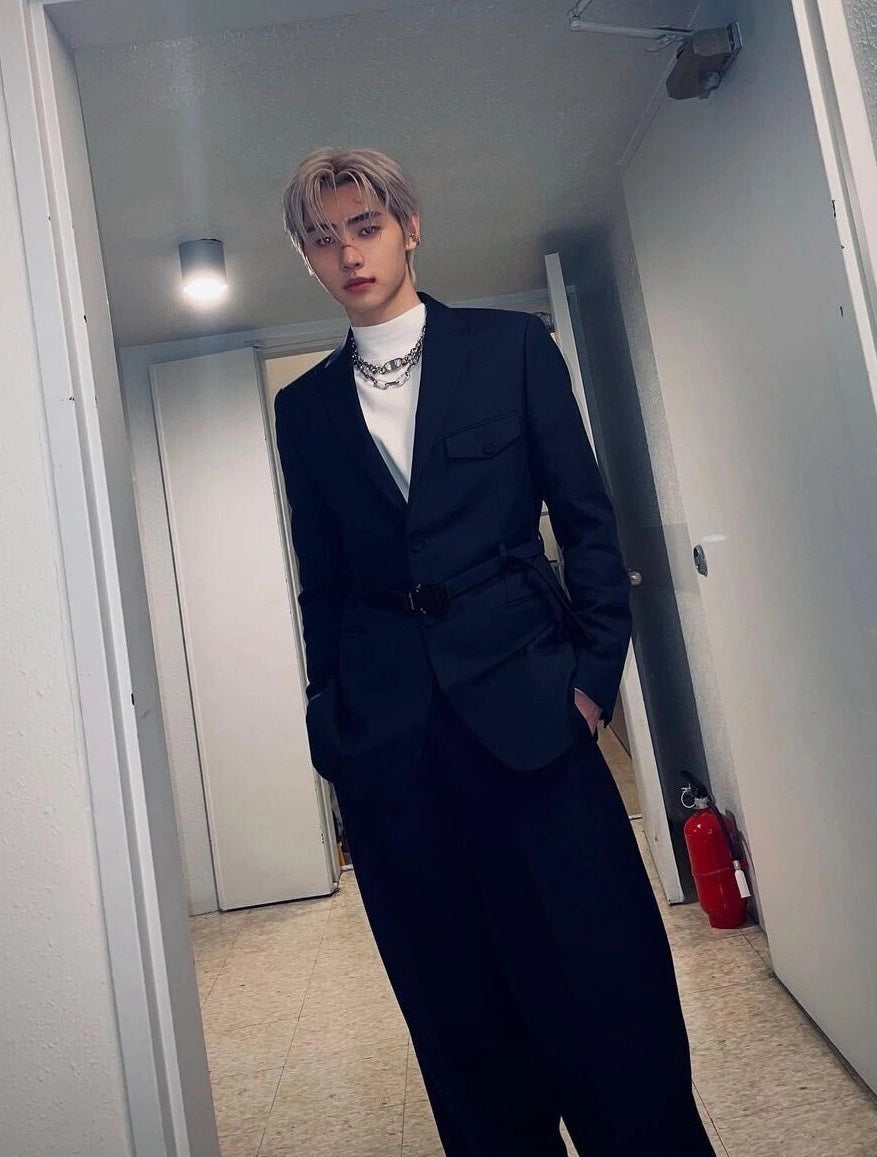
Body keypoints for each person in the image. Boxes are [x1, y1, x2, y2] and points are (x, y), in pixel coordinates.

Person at [275, 147, 713, 1156]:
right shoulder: (303, 410)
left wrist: (591, 682)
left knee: (608, 997)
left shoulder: (509, 349)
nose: (349, 253)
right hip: (392, 752)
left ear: (409, 227)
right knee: (460, 1021)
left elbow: (588, 524)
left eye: (366, 226)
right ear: (306, 256)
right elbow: (321, 582)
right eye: (325, 238)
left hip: (533, 716)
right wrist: (332, 722)